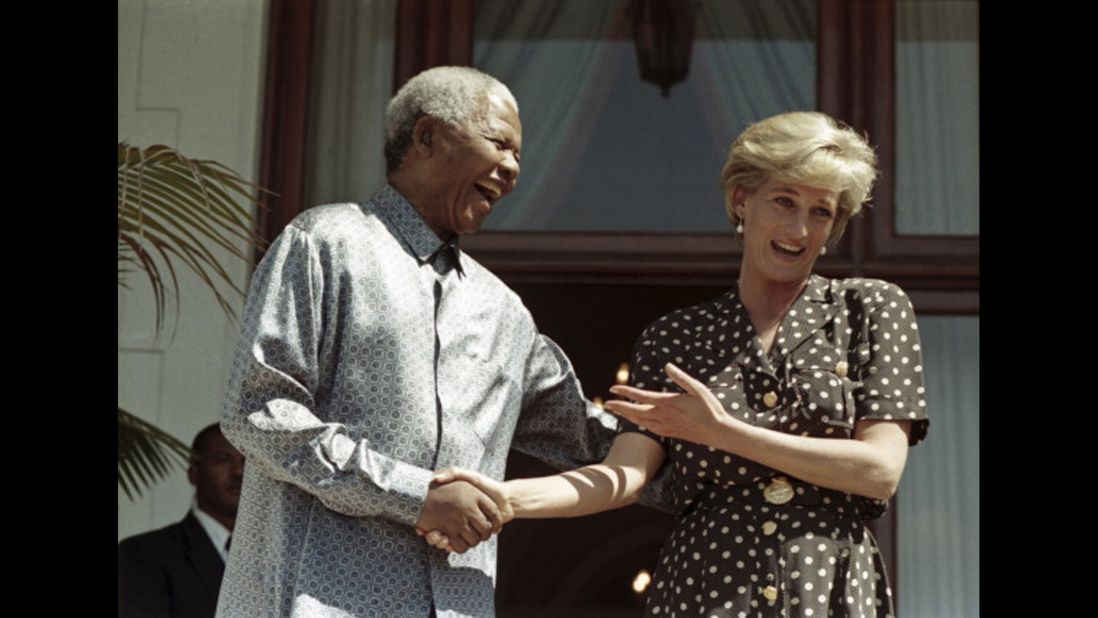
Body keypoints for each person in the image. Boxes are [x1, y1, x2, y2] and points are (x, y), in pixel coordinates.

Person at [429, 111, 929, 617]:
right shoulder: (676, 338)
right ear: (742, 200)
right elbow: (623, 476)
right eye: (784, 201)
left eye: (821, 212)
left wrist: (723, 431)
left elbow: (879, 470)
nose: (799, 228)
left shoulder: (872, 308)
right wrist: (507, 500)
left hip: (829, 589)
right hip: (706, 588)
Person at [216, 66, 636, 617]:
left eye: (520, 156)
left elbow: (594, 438)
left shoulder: (503, 313)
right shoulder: (326, 243)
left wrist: (724, 449)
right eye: (500, 142)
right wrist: (416, 495)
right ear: (427, 136)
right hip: (314, 601)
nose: (512, 169)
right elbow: (258, 411)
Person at [118, 423, 245, 618]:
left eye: (249, 462)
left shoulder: (279, 557)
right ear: (194, 473)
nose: (239, 472)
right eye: (223, 459)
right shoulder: (143, 554)